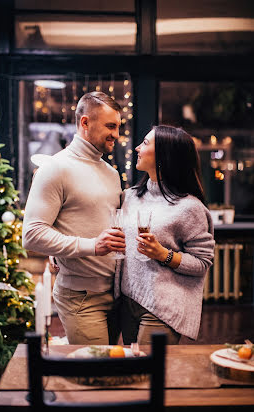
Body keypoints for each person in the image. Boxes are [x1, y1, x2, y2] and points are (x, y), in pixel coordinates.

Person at [22, 92, 126, 345]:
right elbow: (32, 234)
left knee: (111, 369)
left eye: (119, 127)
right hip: (81, 296)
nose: (116, 135)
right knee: (95, 377)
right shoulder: (54, 168)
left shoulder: (112, 174)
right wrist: (92, 246)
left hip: (118, 295)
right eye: (110, 126)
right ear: (85, 123)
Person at [115, 125, 215, 345]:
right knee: (133, 371)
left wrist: (163, 254)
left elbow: (203, 262)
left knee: (149, 373)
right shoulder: (129, 197)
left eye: (146, 143)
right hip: (127, 301)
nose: (138, 148)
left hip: (162, 306)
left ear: (165, 155)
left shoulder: (190, 207)